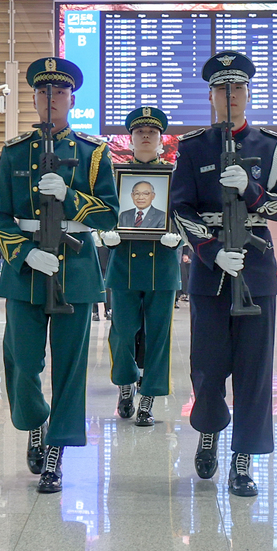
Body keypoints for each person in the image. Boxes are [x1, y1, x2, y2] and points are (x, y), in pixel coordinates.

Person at [0, 57, 119, 494]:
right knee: (22, 361)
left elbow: (108, 215)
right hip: (26, 271)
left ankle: (56, 454)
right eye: (43, 93)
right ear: (34, 98)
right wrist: (24, 254)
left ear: (71, 99)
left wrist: (71, 196)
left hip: (75, 267)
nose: (50, 100)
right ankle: (34, 422)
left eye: (59, 93)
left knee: (70, 366)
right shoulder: (14, 152)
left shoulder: (92, 152)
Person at [170, 50, 277, 498]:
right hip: (210, 273)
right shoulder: (192, 147)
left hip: (257, 270)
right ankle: (209, 432)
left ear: (247, 93)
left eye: (238, 88)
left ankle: (242, 460)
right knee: (206, 368)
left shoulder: (272, 146)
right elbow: (180, 209)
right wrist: (208, 251)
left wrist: (252, 190)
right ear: (211, 96)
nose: (231, 96)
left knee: (253, 370)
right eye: (222, 89)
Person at [101, 106, 183, 426]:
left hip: (162, 266)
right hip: (123, 265)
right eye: (139, 132)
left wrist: (180, 237)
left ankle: (147, 399)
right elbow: (104, 212)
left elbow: (185, 213)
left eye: (152, 132)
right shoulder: (115, 175)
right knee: (121, 333)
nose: (146, 136)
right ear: (131, 139)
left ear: (161, 140)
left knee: (159, 336)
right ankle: (125, 385)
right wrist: (103, 234)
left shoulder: (174, 176)